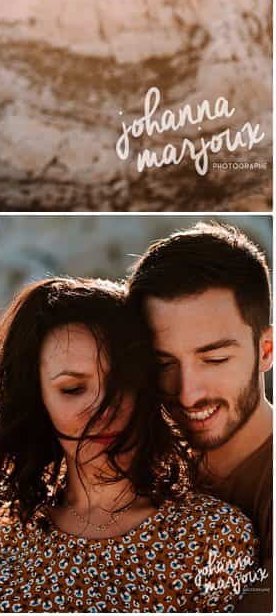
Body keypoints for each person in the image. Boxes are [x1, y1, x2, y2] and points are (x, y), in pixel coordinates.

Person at [0, 276, 258, 612]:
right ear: (38, 401)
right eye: (72, 389)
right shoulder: (1, 538)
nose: (103, 411)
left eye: (120, 383)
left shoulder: (213, 535)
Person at [128, 222, 273, 611]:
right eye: (163, 363)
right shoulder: (146, 464)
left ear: (266, 351)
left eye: (214, 359)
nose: (187, 393)